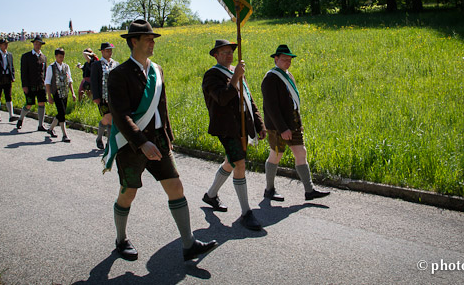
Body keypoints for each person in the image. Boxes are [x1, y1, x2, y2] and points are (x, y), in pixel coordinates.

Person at [103, 19, 217, 262]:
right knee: (128, 193)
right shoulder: (118, 75)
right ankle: (121, 239)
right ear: (134, 42)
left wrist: (168, 137)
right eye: (148, 39)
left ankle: (188, 244)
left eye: (153, 39)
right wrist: (142, 142)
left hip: (159, 141)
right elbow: (120, 115)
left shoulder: (157, 70)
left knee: (176, 187)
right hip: (133, 145)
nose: (153, 43)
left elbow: (162, 108)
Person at [201, 39, 267, 231]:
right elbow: (221, 98)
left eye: (231, 52)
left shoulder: (236, 73)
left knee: (232, 161)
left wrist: (259, 123)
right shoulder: (212, 76)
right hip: (226, 128)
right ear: (215, 55)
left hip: (243, 126)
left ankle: (211, 195)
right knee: (240, 163)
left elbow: (249, 99)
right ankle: (246, 212)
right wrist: (235, 77)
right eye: (224, 53)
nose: (229, 56)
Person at [261, 45, 330, 202]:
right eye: (284, 59)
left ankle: (309, 190)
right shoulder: (270, 78)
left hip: (293, 123)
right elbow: (271, 108)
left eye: (289, 59)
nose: (288, 62)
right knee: (276, 155)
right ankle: (269, 189)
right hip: (278, 126)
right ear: (275, 59)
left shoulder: (288, 75)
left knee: (301, 152)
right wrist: (283, 128)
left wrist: (295, 122)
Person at [91, 42, 119, 150]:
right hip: (102, 97)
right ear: (102, 52)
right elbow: (94, 81)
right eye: (107, 50)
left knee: (111, 119)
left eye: (110, 50)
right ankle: (100, 139)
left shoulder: (116, 64)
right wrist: (96, 96)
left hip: (114, 97)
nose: (110, 52)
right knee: (108, 118)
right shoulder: (96, 65)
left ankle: (108, 142)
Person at [45, 48, 76, 142]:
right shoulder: (51, 68)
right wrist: (49, 96)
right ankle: (64, 134)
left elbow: (70, 80)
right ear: (56, 56)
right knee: (62, 113)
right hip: (56, 92)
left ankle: (50, 129)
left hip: (65, 92)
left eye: (62, 57)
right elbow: (47, 82)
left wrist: (73, 93)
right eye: (59, 57)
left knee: (61, 112)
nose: (61, 59)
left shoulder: (66, 67)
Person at [17, 36, 48, 130]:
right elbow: (23, 72)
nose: (38, 45)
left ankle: (40, 125)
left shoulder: (43, 57)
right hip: (30, 85)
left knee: (41, 103)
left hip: (41, 84)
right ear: (33, 44)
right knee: (29, 104)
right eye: (36, 43)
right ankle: (21, 119)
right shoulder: (26, 56)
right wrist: (24, 85)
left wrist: (46, 85)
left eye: (39, 44)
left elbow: (45, 72)